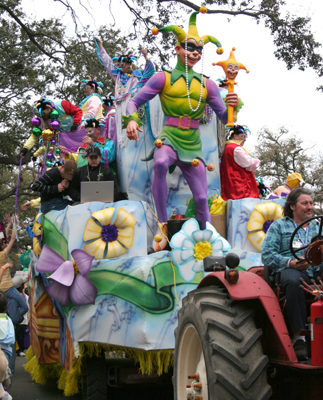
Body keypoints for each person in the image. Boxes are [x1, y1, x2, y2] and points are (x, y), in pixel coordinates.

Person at [124, 9, 238, 247]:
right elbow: (134, 101)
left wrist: (234, 105)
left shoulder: (208, 84)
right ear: (177, 49)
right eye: (189, 47)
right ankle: (162, 226)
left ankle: (206, 241)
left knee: (201, 198)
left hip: (192, 143)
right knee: (161, 162)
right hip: (168, 137)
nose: (195, 52)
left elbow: (225, 118)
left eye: (199, 49)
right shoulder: (162, 78)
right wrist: (132, 119)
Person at [261, 188, 322, 361]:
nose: (309, 207)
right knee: (295, 281)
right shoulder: (279, 226)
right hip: (293, 271)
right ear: (293, 206)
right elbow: (267, 254)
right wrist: (291, 263)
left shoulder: (319, 227)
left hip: (317, 270)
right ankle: (299, 337)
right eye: (305, 203)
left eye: (311, 203)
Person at [220, 125, 260, 201]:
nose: (245, 139)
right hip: (240, 188)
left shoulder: (228, 147)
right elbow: (249, 163)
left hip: (231, 186)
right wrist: (257, 161)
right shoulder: (236, 149)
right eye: (243, 136)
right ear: (235, 136)